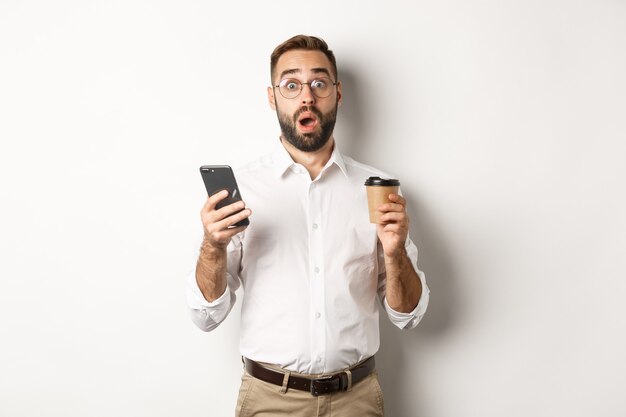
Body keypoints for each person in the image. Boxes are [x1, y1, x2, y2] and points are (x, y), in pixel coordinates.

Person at [187, 34, 430, 417]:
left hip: (357, 401)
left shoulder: (378, 190)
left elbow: (408, 315)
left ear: (338, 93)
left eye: (319, 83)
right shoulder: (243, 189)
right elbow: (206, 316)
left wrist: (396, 252)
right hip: (269, 401)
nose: (306, 96)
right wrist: (212, 246)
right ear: (272, 97)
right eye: (291, 84)